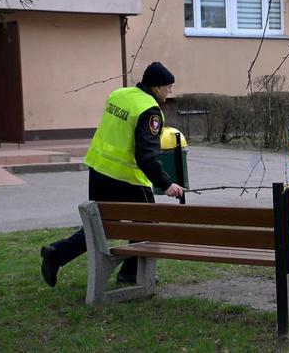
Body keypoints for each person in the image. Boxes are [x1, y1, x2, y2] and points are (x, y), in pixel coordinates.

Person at [40, 62, 184, 287]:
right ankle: (131, 274)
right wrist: (166, 184)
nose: (170, 91)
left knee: (102, 224)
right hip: (128, 177)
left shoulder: (118, 94)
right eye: (168, 87)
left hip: (99, 169)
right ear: (156, 88)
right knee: (148, 225)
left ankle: (56, 254)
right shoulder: (150, 110)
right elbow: (146, 156)